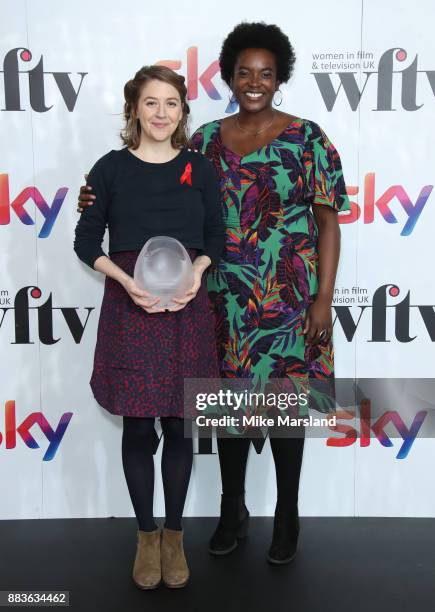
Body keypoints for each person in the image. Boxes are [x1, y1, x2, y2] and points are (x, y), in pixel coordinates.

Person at [77, 22, 350, 566]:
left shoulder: (309, 137)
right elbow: (158, 183)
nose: (255, 82)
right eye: (244, 72)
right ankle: (232, 512)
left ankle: (288, 517)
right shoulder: (204, 140)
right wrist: (95, 192)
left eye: (266, 73)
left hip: (288, 299)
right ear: (228, 76)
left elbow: (328, 224)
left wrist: (324, 299)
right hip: (214, 297)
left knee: (284, 410)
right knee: (223, 409)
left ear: (280, 78)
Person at [73, 65, 224, 589]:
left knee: (181, 423)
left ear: (184, 112)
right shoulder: (109, 169)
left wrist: (197, 276)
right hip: (130, 307)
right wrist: (123, 281)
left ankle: (175, 536)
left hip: (187, 308)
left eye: (172, 104)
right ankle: (145, 536)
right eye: (151, 103)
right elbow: (86, 241)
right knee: (139, 425)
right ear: (133, 108)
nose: (161, 113)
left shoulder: (200, 168)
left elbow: (216, 238)